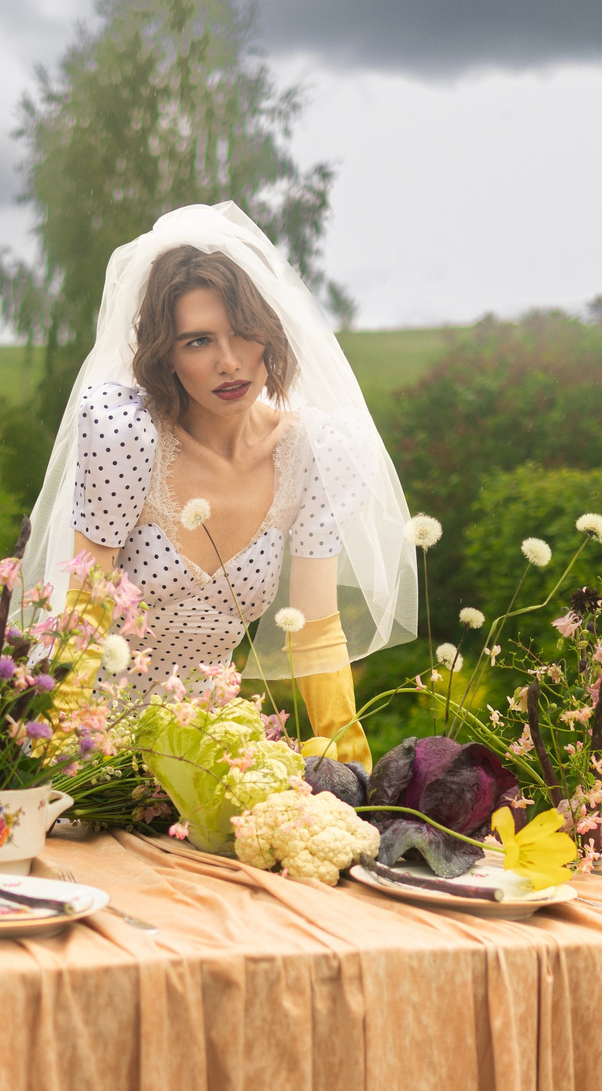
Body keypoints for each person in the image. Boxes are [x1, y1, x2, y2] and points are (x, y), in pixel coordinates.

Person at [21, 202, 416, 762]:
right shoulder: (127, 435)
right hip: (93, 730)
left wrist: (347, 769)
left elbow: (315, 631)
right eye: (198, 341)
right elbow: (85, 609)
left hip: (207, 743)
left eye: (242, 333)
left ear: (271, 334)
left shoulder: (317, 453)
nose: (230, 362)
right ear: (166, 356)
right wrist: (59, 748)